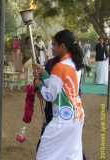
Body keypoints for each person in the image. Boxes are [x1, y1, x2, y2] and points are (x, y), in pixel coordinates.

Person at [33, 30, 85, 160]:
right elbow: (59, 85)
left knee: (43, 156)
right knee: (72, 156)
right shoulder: (75, 63)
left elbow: (50, 95)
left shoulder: (60, 66)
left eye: (54, 44)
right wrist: (44, 72)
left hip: (63, 121)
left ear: (63, 46)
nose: (52, 47)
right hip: (77, 117)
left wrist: (39, 84)